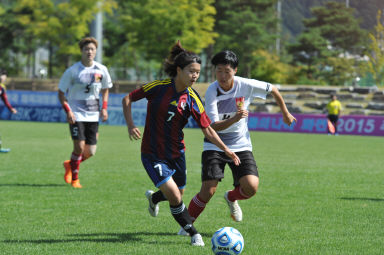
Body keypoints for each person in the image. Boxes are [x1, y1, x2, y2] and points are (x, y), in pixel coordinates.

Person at [122, 42, 240, 247]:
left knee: (178, 192)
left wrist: (226, 149)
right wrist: (131, 125)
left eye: (198, 73)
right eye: (191, 71)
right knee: (175, 196)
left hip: (177, 153)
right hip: (152, 153)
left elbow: (208, 129)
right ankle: (193, 233)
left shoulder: (193, 98)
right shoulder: (158, 88)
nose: (195, 76)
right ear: (179, 70)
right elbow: (128, 98)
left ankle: (154, 199)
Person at [179, 50, 296, 235]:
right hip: (215, 144)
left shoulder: (246, 85)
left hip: (240, 143)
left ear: (235, 70)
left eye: (227, 71)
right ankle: (186, 227)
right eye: (219, 71)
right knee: (208, 191)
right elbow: (212, 126)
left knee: (251, 187)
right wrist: (235, 118)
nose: (223, 76)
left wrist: (285, 112)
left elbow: (273, 88)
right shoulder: (211, 90)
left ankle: (231, 197)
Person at [58, 37, 113, 188]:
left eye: (92, 49)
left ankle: (70, 164)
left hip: (93, 115)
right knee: (79, 147)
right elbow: (61, 93)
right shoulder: (73, 71)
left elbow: (106, 89)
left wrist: (104, 108)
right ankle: (75, 179)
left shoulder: (101, 69)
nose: (89, 52)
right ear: (81, 51)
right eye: (86, 49)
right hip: (76, 114)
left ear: (96, 51)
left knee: (91, 152)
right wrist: (68, 111)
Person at [0, 69, 17, 153]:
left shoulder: (2, 88)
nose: (5, 78)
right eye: (4, 76)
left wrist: (11, 108)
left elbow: (5, 100)